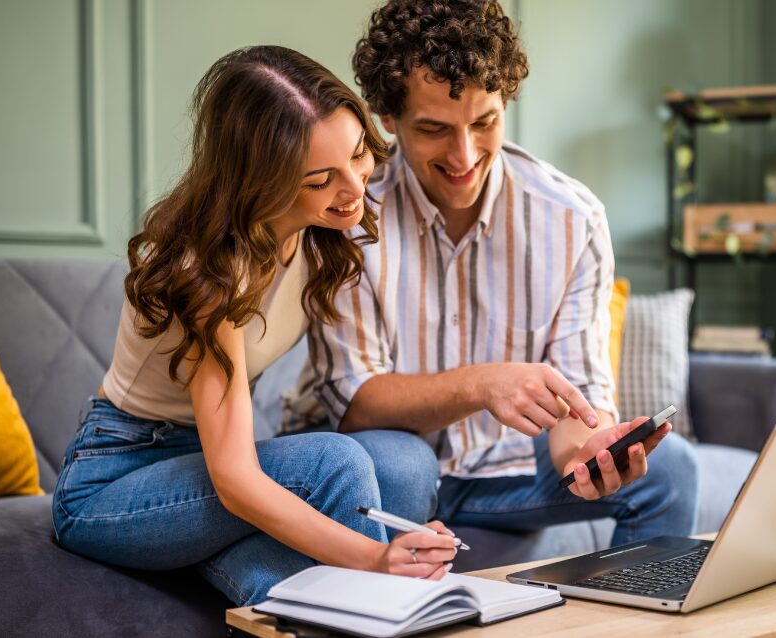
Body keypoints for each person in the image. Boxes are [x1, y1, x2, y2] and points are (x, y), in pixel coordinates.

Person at [51, 45, 457, 608]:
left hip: (210, 468)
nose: (355, 189)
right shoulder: (206, 270)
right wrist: (377, 558)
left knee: (404, 463)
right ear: (259, 180)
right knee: (333, 464)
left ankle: (234, 563)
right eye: (320, 179)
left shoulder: (321, 229)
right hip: (116, 481)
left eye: (359, 154)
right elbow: (237, 478)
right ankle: (383, 611)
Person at [285, 0, 699, 547]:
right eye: (433, 128)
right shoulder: (351, 212)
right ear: (388, 118)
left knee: (674, 472)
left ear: (506, 101)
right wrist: (484, 384)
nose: (464, 155)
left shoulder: (572, 220)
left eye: (485, 122)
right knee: (401, 465)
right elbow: (354, 401)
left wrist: (591, 452)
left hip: (504, 469)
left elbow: (578, 403)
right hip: (387, 464)